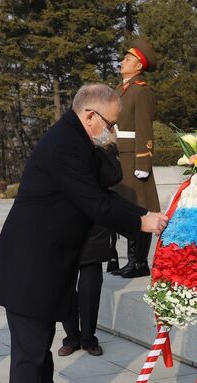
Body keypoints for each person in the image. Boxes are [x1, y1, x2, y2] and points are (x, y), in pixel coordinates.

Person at [0, 83, 168, 383]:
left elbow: (107, 183)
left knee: (40, 355)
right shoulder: (65, 145)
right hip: (29, 267)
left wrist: (144, 213)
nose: (112, 130)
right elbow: (95, 204)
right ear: (89, 115)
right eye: (110, 123)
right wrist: (142, 220)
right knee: (28, 359)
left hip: (47, 264)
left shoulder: (79, 140)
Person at [58, 140, 123, 358]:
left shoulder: (102, 145)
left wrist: (106, 147)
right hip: (65, 221)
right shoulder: (62, 142)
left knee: (90, 286)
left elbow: (113, 177)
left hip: (94, 222)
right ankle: (71, 337)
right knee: (65, 285)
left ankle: (88, 338)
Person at [109, 38, 161, 278]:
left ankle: (139, 262)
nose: (122, 62)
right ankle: (130, 260)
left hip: (133, 159)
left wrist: (143, 161)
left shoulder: (141, 91)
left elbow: (144, 128)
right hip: (120, 156)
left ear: (139, 65)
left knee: (140, 208)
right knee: (126, 209)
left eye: (128, 59)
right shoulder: (121, 89)